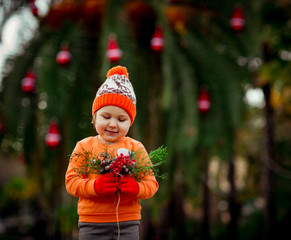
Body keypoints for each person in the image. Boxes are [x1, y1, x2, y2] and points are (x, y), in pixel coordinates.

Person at [65, 65, 159, 240]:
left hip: (127, 223)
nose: (113, 124)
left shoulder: (135, 148)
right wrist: (95, 186)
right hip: (91, 223)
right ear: (94, 118)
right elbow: (71, 182)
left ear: (130, 122)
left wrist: (136, 188)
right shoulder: (84, 146)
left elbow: (151, 184)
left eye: (121, 119)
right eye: (106, 117)